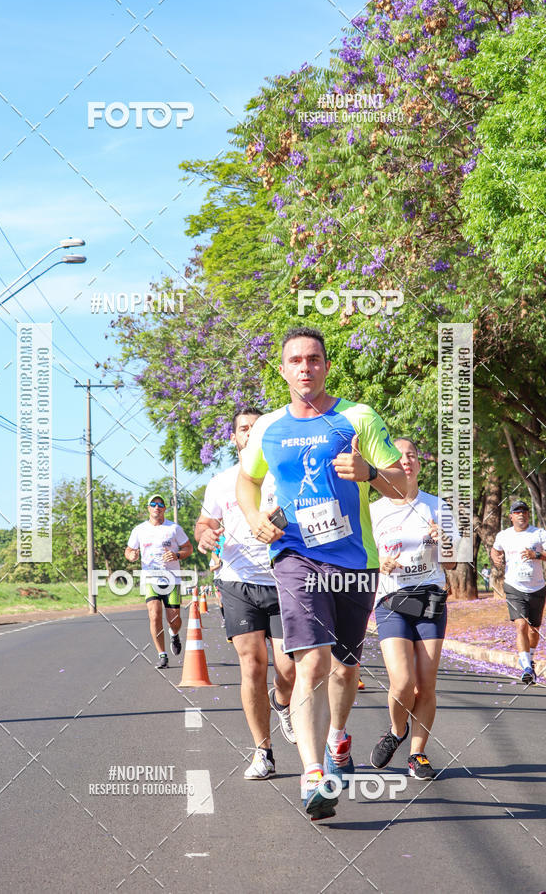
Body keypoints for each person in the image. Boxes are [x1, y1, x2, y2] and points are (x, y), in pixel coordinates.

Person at [236, 327, 406, 819]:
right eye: (296, 360)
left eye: (314, 359)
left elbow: (404, 486)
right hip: (295, 555)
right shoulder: (269, 427)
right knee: (312, 659)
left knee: (346, 665)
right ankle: (313, 775)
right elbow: (247, 479)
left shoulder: (357, 417)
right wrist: (252, 520)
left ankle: (337, 735)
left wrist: (372, 474)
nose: (305, 367)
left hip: (354, 559)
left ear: (326, 366)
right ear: (284, 369)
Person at [195, 408, 297, 781]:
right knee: (252, 663)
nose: (250, 433)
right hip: (237, 581)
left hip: (284, 578)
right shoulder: (221, 482)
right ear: (234, 438)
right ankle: (263, 751)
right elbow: (205, 523)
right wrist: (205, 535)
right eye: (243, 429)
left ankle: (282, 701)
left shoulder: (283, 476)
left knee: (288, 670)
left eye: (257, 428)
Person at [369, 437, 458, 780]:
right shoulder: (374, 510)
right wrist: (380, 566)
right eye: (398, 456)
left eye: (412, 456)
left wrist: (443, 541)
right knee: (402, 682)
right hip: (392, 600)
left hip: (431, 598)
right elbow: (362, 558)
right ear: (388, 464)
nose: (406, 460)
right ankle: (396, 730)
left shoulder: (437, 506)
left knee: (426, 684)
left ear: (419, 465)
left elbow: (450, 564)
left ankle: (417, 754)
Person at [125, 495, 193, 669]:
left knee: (174, 620)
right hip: (150, 579)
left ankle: (174, 633)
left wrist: (177, 555)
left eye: (160, 504)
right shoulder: (139, 530)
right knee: (154, 615)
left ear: (164, 508)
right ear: (148, 508)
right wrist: (131, 555)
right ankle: (162, 655)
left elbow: (188, 548)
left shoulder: (174, 528)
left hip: (172, 579)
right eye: (153, 504)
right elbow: (129, 550)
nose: (157, 507)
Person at [491, 500, 546, 685]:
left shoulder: (539, 534)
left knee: (534, 629)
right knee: (521, 625)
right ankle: (527, 668)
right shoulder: (504, 535)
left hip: (537, 587)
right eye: (517, 511)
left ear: (528, 515)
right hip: (514, 586)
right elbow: (495, 549)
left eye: (524, 511)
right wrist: (496, 558)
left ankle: (528, 657)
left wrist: (536, 555)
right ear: (511, 516)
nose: (521, 514)